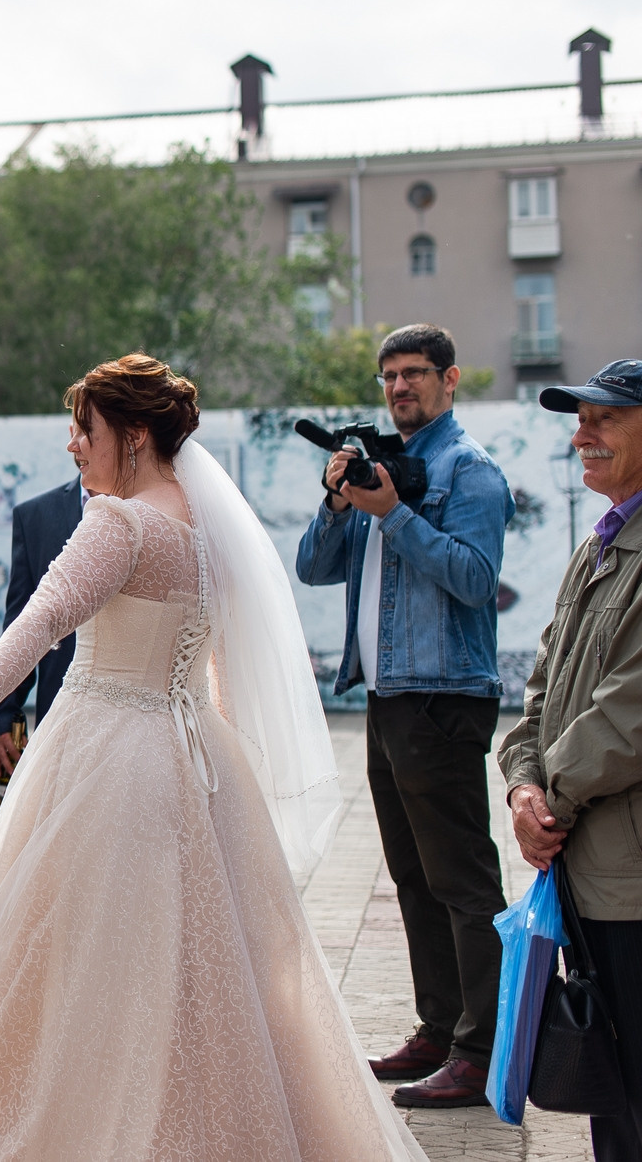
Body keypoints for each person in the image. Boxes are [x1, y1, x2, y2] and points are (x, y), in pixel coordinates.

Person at [0, 355, 421, 1161]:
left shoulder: (120, 523)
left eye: (87, 430)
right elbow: (214, 659)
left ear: (136, 435)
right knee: (196, 973)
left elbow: (41, 620)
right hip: (193, 760)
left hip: (108, 758)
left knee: (76, 966)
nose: (75, 446)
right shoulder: (205, 526)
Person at [295, 322, 514, 1107]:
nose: (400, 387)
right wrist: (339, 498)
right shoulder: (383, 464)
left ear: (450, 380)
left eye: (416, 373)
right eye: (389, 375)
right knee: (414, 876)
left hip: (444, 695)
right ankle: (440, 1025)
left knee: (461, 879)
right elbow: (312, 569)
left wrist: (393, 514)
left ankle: (483, 1049)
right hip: (388, 698)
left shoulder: (470, 471)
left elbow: (475, 578)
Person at [500, 360, 642, 1161]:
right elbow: (541, 692)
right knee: (611, 1099)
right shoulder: (599, 547)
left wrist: (545, 798)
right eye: (579, 417)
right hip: (584, 868)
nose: (581, 434)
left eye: (606, 418)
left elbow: (628, 714)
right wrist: (523, 787)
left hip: (629, 881)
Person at [0, 474, 85, 783]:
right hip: (57, 716)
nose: (75, 442)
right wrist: (5, 712)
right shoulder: (35, 515)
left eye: (88, 430)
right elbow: (22, 622)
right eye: (74, 428)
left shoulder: (154, 508)